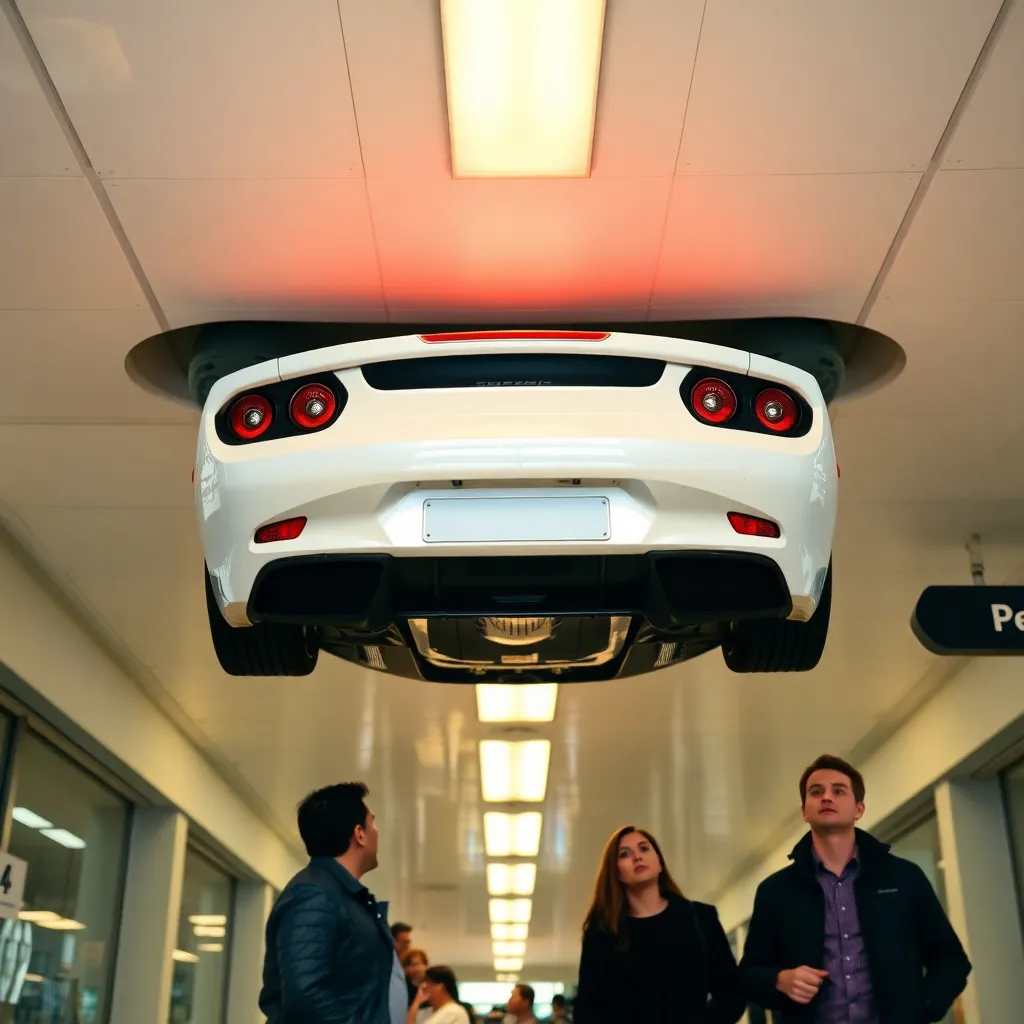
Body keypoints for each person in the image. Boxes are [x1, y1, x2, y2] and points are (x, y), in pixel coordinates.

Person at [740, 754, 972, 1022]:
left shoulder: (904, 877)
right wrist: (780, 980)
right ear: (804, 811)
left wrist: (922, 1007)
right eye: (816, 792)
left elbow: (951, 960)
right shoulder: (775, 891)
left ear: (858, 809)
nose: (826, 797)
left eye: (838, 791)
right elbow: (748, 974)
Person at [259, 782, 400, 1024]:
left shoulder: (340, 896)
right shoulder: (313, 895)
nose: (377, 831)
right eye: (372, 823)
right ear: (359, 834)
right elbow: (306, 996)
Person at [574, 825, 745, 1023]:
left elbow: (732, 992)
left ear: (660, 863)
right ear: (616, 872)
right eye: (624, 854)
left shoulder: (700, 918)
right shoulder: (602, 933)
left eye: (644, 848)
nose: (637, 857)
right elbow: (586, 1009)